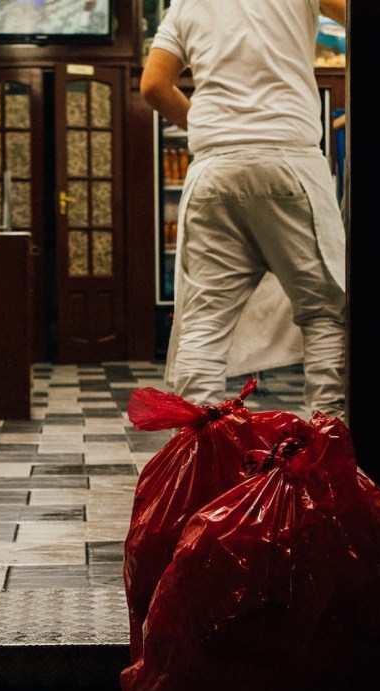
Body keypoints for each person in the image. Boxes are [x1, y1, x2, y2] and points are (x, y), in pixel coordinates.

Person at [141, 0, 350, 421]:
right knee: (325, 312)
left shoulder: (185, 3)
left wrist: (204, 124)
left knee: (204, 323)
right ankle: (329, 441)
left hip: (213, 169)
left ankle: (198, 453)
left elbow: (153, 86)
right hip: (288, 158)